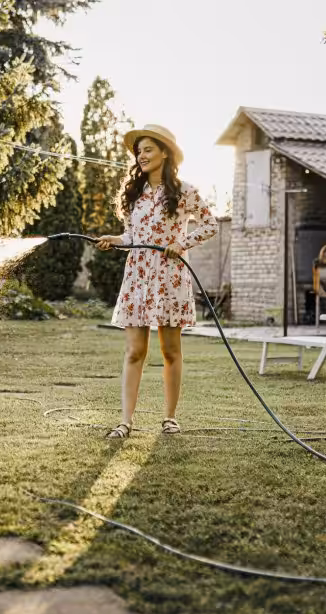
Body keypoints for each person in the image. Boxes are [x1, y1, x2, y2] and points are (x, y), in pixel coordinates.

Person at [95, 125, 218, 439]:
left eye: (148, 149)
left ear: (165, 152)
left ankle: (170, 418)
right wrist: (116, 239)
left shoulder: (184, 191)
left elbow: (210, 225)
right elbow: (133, 237)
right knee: (134, 351)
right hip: (137, 276)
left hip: (169, 276)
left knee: (170, 351)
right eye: (139, 151)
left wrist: (182, 243)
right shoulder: (134, 195)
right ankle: (125, 422)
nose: (141, 155)